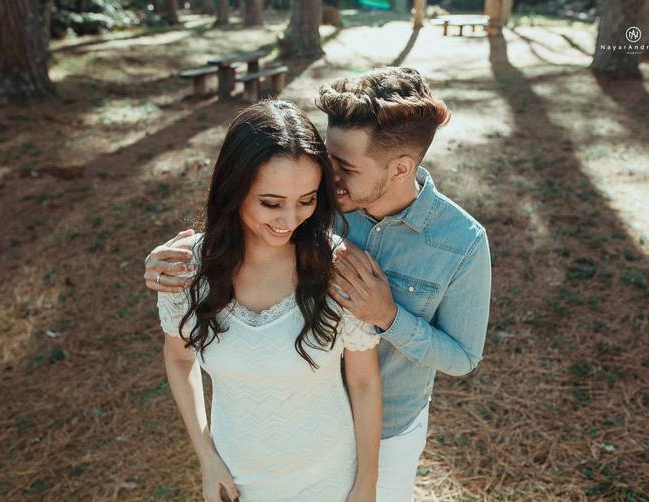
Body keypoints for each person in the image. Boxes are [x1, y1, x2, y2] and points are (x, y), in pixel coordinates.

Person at [146, 67, 492, 501]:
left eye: (343, 167)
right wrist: (165, 265)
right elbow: (242, 218)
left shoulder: (460, 243)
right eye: (327, 161)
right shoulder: (315, 204)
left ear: (401, 168)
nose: (327, 180)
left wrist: (387, 316)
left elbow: (462, 357)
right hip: (274, 428)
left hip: (385, 430)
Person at [156, 100, 382, 502]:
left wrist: (366, 484)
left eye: (307, 200)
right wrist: (207, 458)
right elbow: (178, 357)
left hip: (329, 479)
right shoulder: (186, 270)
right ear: (234, 189)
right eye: (271, 203)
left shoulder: (339, 268)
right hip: (237, 481)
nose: (290, 220)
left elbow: (364, 381)